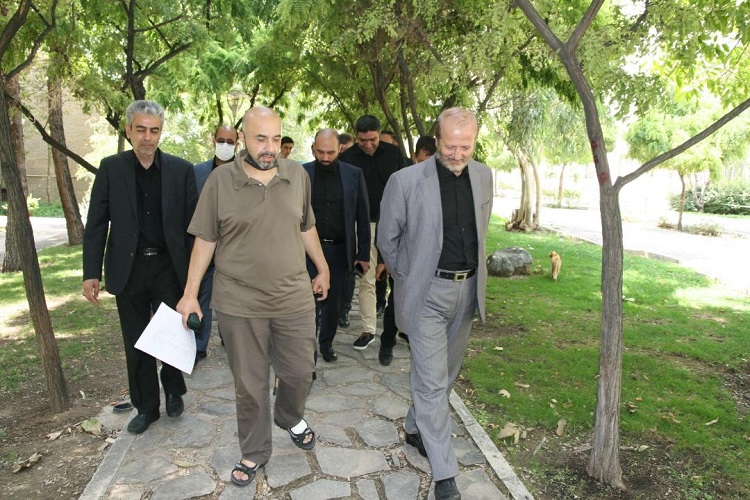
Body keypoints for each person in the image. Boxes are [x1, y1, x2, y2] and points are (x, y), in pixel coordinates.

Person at [176, 106, 330, 488]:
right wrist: (190, 294)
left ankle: (289, 416)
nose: (269, 147)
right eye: (261, 139)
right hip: (239, 301)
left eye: (276, 138)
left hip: (293, 297)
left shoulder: (297, 176)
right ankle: (254, 451)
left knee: (299, 372)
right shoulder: (219, 182)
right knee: (250, 383)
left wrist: (322, 267)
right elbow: (205, 240)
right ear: (243, 138)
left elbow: (306, 226)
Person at [376, 107, 493, 500]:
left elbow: (480, 231)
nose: (457, 154)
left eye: (466, 147)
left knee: (446, 374)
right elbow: (387, 239)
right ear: (436, 140)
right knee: (431, 381)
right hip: (426, 293)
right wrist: (409, 278)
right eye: (450, 146)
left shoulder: (484, 176)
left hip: (467, 290)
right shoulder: (405, 181)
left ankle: (415, 427)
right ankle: (445, 476)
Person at [82, 100, 198, 434]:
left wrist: (193, 277)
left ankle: (174, 389)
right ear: (129, 131)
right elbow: (96, 223)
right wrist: (91, 272)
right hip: (128, 269)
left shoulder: (181, 170)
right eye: (141, 130)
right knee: (136, 342)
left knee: (172, 336)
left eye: (154, 130)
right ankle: (147, 407)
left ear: (161, 132)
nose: (148, 137)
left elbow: (193, 228)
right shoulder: (110, 168)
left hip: (168, 267)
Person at [302, 129, 370, 362]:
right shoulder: (302, 173)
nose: (325, 157)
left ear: (339, 149)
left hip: (340, 251)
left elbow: (362, 215)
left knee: (333, 303)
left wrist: (363, 254)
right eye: (320, 152)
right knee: (307, 303)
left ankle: (326, 344)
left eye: (330, 152)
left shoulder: (354, 174)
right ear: (313, 148)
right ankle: (307, 349)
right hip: (307, 252)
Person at [339, 115, 403, 350]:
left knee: (400, 279)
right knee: (367, 279)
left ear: (379, 133)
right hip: (363, 226)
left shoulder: (394, 154)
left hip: (395, 225)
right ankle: (368, 329)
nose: (368, 145)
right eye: (362, 140)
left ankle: (404, 328)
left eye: (373, 140)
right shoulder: (346, 158)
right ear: (356, 137)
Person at [192, 124, 238, 364]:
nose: (225, 146)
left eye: (230, 142)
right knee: (203, 296)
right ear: (213, 140)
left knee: (232, 299)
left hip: (235, 250)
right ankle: (199, 345)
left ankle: (229, 337)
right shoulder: (197, 172)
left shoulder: (245, 172)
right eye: (221, 140)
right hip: (206, 247)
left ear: (237, 144)